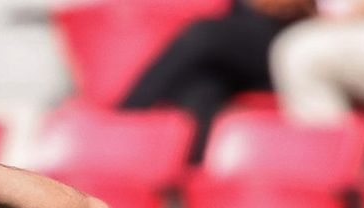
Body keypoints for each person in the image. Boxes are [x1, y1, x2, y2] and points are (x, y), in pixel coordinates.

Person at [120, 0, 313, 161]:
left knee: (202, 35)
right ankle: (189, 189)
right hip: (234, 45)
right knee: (200, 88)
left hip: (290, 40)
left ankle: (126, 118)